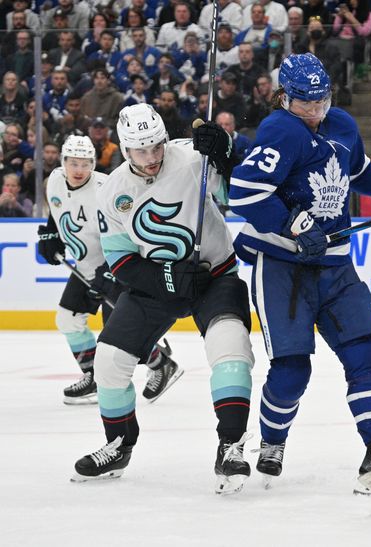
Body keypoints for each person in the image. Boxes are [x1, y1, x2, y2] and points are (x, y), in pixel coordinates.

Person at [228, 53, 371, 495]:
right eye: (305, 102)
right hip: (283, 266)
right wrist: (294, 223)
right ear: (285, 98)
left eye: (321, 100)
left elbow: (361, 172)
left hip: (336, 264)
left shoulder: (342, 125)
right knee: (292, 372)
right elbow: (245, 193)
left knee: (365, 355)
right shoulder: (280, 130)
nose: (315, 110)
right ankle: (272, 439)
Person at [71, 104, 256, 496]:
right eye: (142, 151)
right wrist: (165, 277)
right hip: (156, 286)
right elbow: (121, 261)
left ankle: (231, 444)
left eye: (156, 146)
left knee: (231, 348)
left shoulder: (193, 156)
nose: (152, 157)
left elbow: (239, 193)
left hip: (214, 275)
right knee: (108, 361)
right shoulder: (112, 192)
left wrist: (225, 153)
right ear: (125, 150)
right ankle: (119, 444)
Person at [36, 135, 182, 405]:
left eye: (85, 164)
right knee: (67, 319)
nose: (79, 170)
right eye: (73, 163)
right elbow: (58, 209)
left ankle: (161, 363)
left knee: (119, 337)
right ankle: (92, 376)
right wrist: (50, 233)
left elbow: (128, 231)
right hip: (85, 267)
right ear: (63, 162)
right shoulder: (55, 180)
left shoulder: (106, 189)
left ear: (94, 164)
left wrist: (109, 271)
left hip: (118, 268)